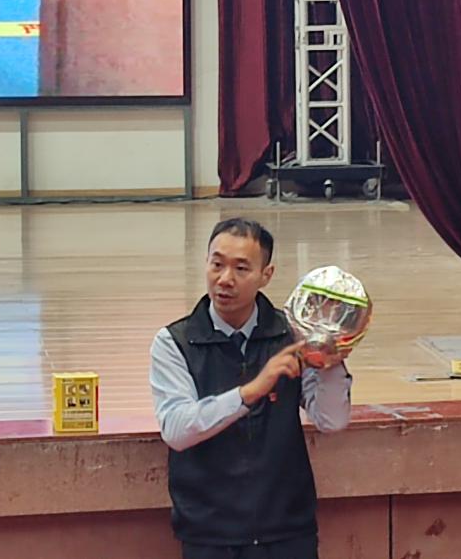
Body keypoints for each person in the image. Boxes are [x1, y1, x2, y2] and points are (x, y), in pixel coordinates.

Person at [149, 217, 353, 559]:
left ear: (266, 275)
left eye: (241, 268)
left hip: (287, 530)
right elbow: (177, 429)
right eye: (217, 264)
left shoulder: (292, 334)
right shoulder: (174, 342)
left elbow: (332, 421)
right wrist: (250, 392)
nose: (224, 279)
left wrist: (331, 363)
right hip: (210, 534)